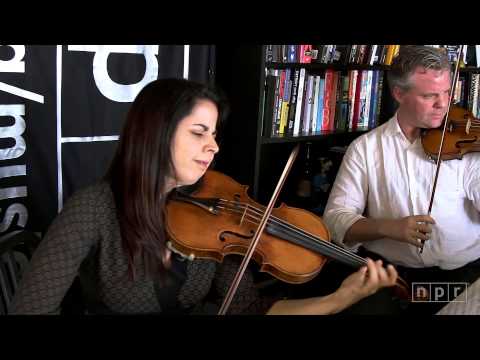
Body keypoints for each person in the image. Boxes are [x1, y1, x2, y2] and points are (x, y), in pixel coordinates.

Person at [11, 78, 397, 315]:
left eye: (214, 135)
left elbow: (250, 309)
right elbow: (32, 307)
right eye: (198, 132)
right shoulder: (94, 206)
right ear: (156, 133)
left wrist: (339, 299)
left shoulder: (219, 216)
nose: (213, 146)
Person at [323, 45, 480, 315]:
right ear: (399, 94)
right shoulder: (365, 148)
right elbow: (335, 219)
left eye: (446, 92)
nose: (443, 104)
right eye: (430, 95)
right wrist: (388, 227)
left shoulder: (465, 146)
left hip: (464, 277)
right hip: (391, 277)